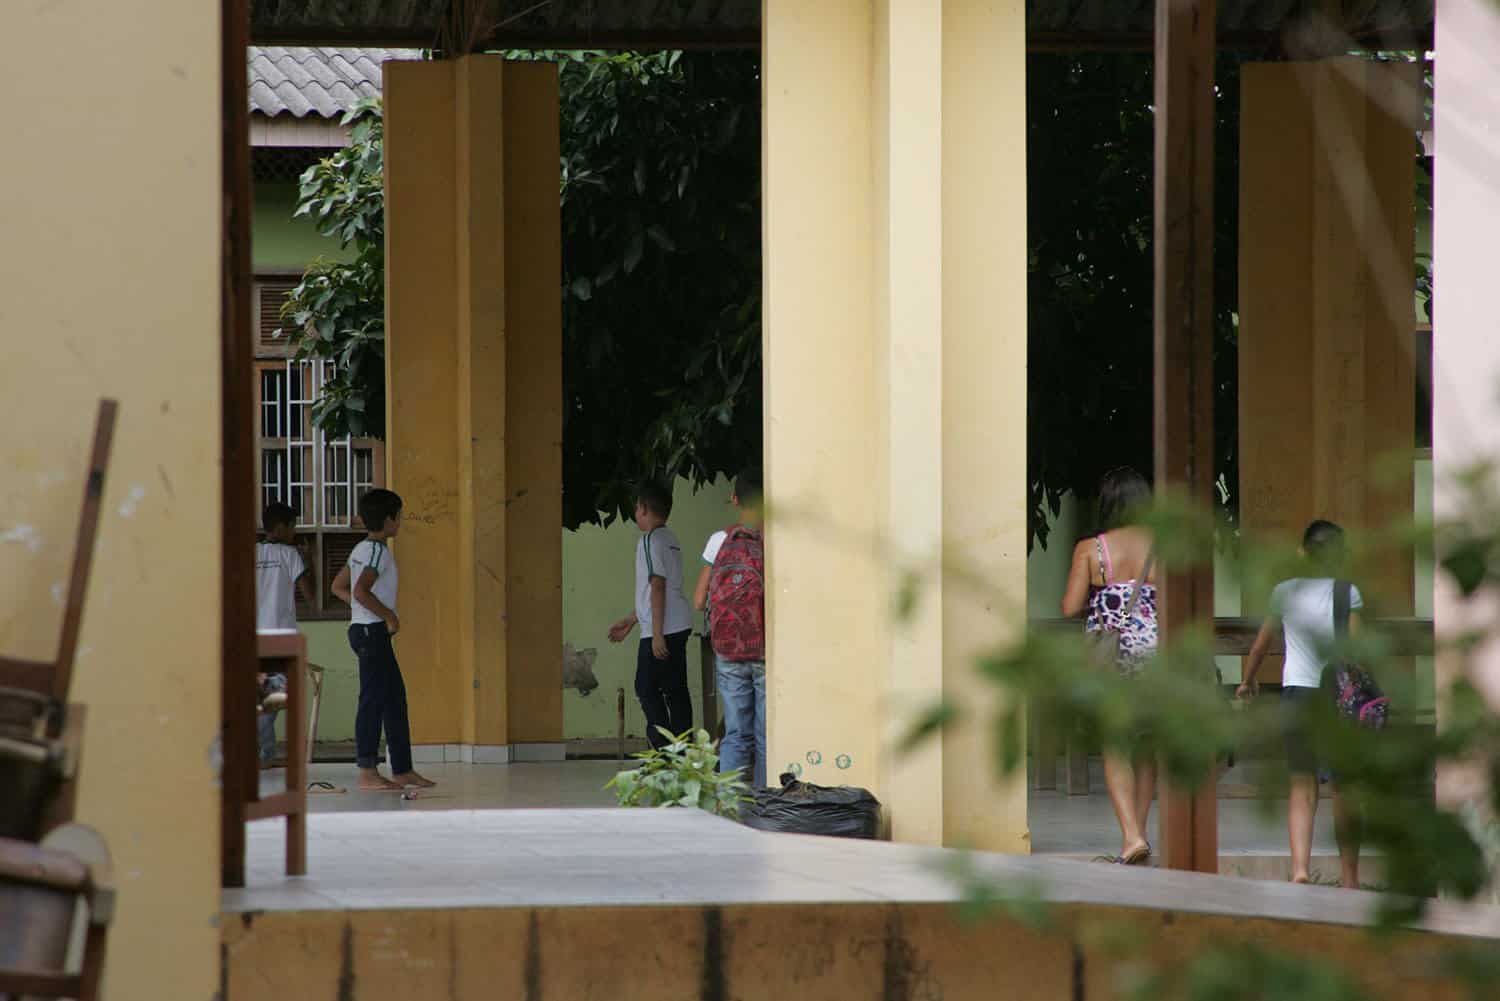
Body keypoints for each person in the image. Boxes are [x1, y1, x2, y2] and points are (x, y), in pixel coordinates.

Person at [1237, 519, 1363, 888]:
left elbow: (1261, 645)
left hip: (1298, 695)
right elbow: (1355, 653)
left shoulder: (1284, 592)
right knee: (1345, 790)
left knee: (1301, 786)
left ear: (1301, 553)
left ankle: (1300, 870)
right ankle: (1350, 880)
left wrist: (1247, 681)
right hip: (1339, 698)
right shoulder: (1348, 593)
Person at [1061, 466, 1158, 866]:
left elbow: (1069, 606)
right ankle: (1142, 831)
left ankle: (1131, 835)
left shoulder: (1090, 549)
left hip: (1110, 660)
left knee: (1115, 746)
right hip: (1156, 656)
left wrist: (1106, 600)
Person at [331, 488, 434, 792]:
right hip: (371, 631)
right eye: (399, 517)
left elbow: (339, 587)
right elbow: (360, 590)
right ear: (389, 520)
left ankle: (402, 770)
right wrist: (389, 616)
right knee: (373, 701)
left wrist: (359, 608)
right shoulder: (377, 550)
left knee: (393, 699)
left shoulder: (359, 549)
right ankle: (367, 771)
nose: (400, 522)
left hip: (366, 629)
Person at [608, 480, 694, 749]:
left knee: (645, 688)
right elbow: (660, 589)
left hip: (662, 629)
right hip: (677, 624)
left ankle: (662, 751)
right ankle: (684, 752)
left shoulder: (649, 540)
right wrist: (632, 619)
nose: (636, 513)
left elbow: (657, 584)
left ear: (643, 509)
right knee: (675, 691)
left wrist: (656, 634)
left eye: (636, 508)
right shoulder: (671, 538)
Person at [702, 470, 766, 787]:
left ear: (736, 500)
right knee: (765, 734)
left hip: (727, 650)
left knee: (737, 732)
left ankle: (729, 806)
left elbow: (700, 599)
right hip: (764, 648)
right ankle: (766, 804)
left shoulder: (720, 540)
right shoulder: (774, 540)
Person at [254, 502, 315, 768]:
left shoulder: (250, 552)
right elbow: (311, 597)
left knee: (258, 696)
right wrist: (308, 560)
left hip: (252, 637)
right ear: (280, 527)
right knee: (274, 698)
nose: (294, 532)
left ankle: (261, 753)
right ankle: (262, 756)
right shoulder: (290, 555)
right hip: (281, 637)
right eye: (292, 526)